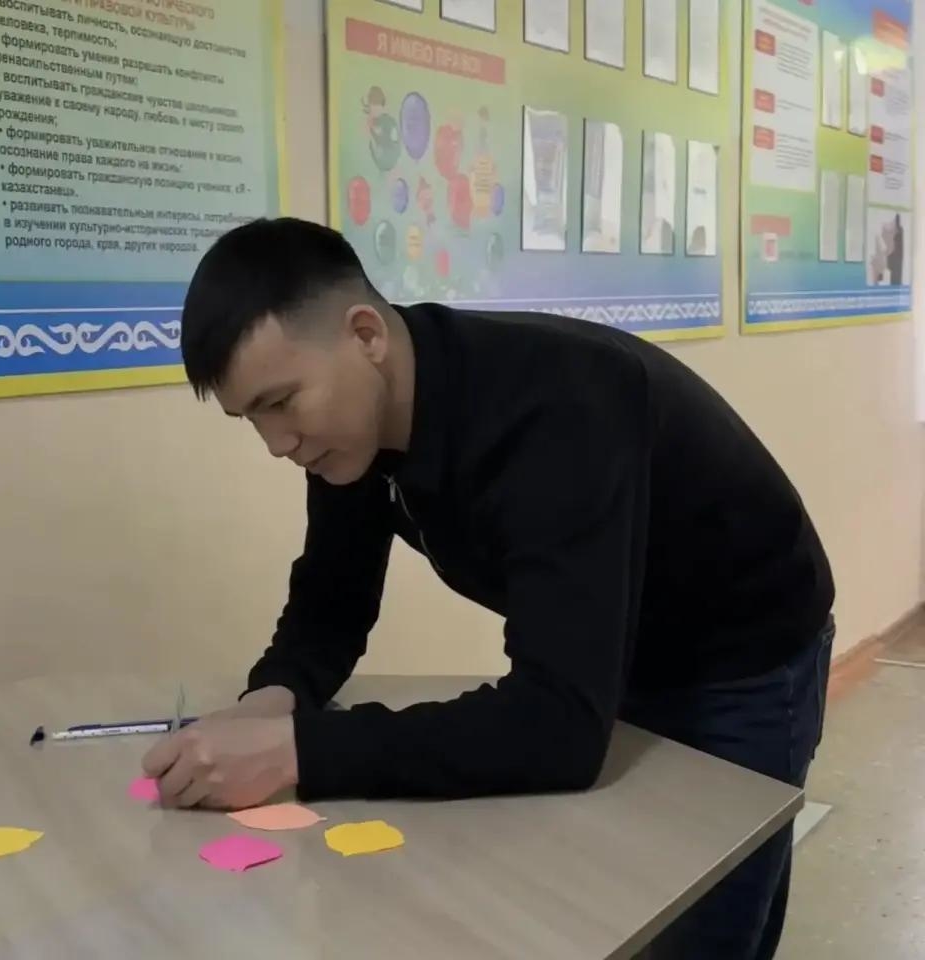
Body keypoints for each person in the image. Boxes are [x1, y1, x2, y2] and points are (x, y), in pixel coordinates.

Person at [142, 218, 835, 959]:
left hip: (742, 652)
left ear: (366, 335)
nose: (277, 444)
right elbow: (331, 601)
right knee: (609, 899)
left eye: (281, 402)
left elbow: (558, 728)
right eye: (251, 417)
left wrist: (295, 751)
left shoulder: (560, 406)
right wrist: (271, 699)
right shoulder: (350, 433)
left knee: (699, 927)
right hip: (612, 650)